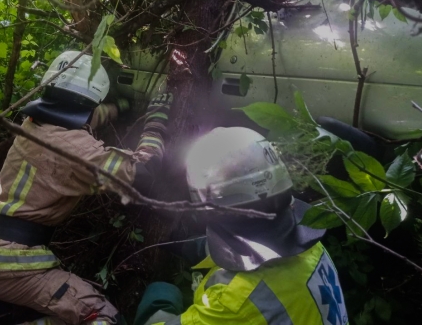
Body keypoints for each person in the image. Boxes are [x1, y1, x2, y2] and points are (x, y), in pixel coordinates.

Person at [0, 50, 173, 325]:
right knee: (103, 318)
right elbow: (145, 171)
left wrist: (119, 108)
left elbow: (79, 119)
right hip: (13, 266)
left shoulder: (34, 123)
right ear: (91, 99)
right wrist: (155, 123)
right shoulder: (79, 152)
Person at [134, 127, 349, 325]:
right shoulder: (310, 247)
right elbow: (257, 244)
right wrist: (188, 245)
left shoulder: (234, 301)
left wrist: (161, 296)